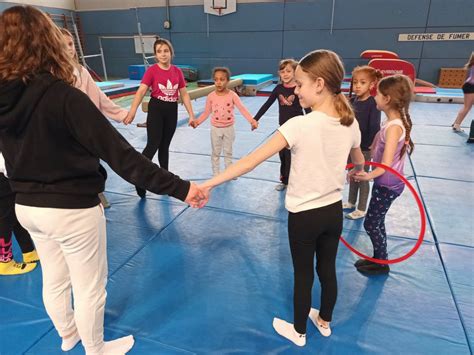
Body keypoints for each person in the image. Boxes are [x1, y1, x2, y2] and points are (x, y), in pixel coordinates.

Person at [0, 6, 205, 354]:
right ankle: (96, 349)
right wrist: (182, 188)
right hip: (71, 209)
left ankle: (68, 335)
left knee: (54, 277)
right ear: (47, 41)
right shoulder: (64, 97)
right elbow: (123, 158)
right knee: (89, 286)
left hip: (27, 207)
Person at [198, 50, 365, 347]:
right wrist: (358, 172)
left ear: (319, 84)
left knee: (303, 274)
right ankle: (324, 321)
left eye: (299, 84)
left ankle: (298, 331)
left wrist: (209, 183)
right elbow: (358, 159)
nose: (295, 90)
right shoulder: (349, 122)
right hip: (332, 212)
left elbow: (249, 162)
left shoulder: (299, 125)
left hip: (304, 215)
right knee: (327, 269)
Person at [351, 74, 414, 275]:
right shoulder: (390, 123)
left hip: (388, 184)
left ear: (386, 98)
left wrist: (366, 176)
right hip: (385, 182)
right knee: (377, 221)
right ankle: (380, 259)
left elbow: (385, 164)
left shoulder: (394, 127)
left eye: (377, 93)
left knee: (371, 223)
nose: (374, 96)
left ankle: (381, 263)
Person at [61, 28, 129, 208]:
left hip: (84, 126)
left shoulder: (81, 71)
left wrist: (120, 114)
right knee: (72, 166)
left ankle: (96, 193)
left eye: (70, 44)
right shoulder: (53, 74)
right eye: (63, 45)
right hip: (64, 129)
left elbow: (98, 96)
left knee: (93, 164)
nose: (69, 49)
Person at [123, 38, 196, 197]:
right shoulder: (152, 71)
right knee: (153, 145)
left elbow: (184, 94)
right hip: (156, 109)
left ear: (171, 52)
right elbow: (141, 91)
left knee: (164, 147)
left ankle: (166, 181)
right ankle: (139, 177)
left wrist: (191, 115)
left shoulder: (177, 71)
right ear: (155, 55)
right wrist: (132, 111)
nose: (163, 54)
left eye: (166, 51)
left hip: (171, 110)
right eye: (159, 51)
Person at [190, 67, 258, 176]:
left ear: (227, 81)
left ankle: (229, 172)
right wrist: (197, 122)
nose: (218, 82)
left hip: (229, 128)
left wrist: (252, 121)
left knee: (228, 152)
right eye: (216, 79)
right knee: (216, 152)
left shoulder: (232, 95)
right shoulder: (211, 96)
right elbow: (206, 112)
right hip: (215, 129)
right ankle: (216, 173)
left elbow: (242, 108)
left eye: (222, 79)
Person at [253, 59, 307, 191]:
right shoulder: (278, 89)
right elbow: (267, 104)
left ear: (295, 73)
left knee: (296, 157)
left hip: (297, 128)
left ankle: (297, 181)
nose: (285, 74)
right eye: (282, 72)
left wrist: (314, 122)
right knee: (283, 156)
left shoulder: (298, 90)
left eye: (288, 71)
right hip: (283, 128)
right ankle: (285, 180)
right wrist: (256, 118)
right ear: (279, 74)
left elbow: (308, 107)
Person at [343, 66, 382, 219]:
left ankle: (361, 207)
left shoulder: (373, 104)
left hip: (364, 147)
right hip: (351, 146)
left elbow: (374, 127)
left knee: (362, 177)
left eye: (362, 82)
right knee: (352, 174)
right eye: (355, 82)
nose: (357, 86)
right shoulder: (352, 101)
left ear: (372, 85)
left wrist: (371, 146)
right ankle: (351, 201)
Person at [0, 153, 38, 275]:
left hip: (8, 171)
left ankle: (28, 251)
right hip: (4, 172)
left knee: (14, 211)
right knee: (4, 218)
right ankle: (4, 262)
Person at [451, 52, 474, 143]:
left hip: (469, 85)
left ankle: (456, 123)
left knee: (467, 107)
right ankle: (456, 125)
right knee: (467, 107)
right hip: (470, 86)